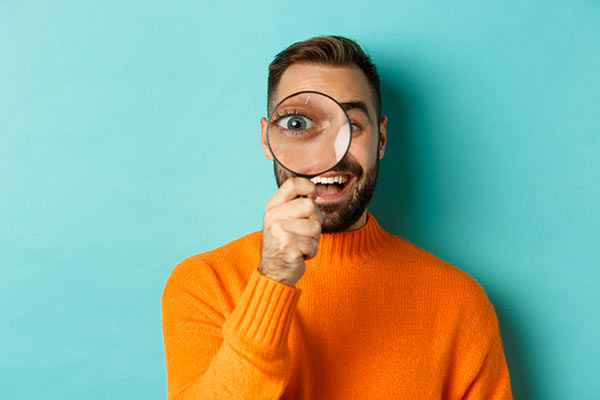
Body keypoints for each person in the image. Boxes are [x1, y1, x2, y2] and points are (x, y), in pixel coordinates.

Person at [161, 36, 513, 399]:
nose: (329, 155)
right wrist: (273, 281)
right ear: (267, 141)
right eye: (297, 124)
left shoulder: (460, 303)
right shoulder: (205, 284)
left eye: (353, 125)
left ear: (381, 139)